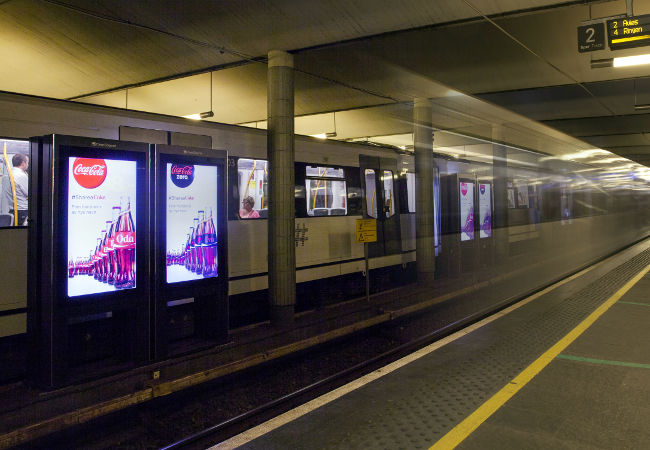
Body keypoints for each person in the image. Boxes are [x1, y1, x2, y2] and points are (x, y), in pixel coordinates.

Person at [3, 154, 29, 226]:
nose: (28, 165)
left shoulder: (8, 174)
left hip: (12, 209)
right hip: (22, 211)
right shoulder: (21, 175)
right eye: (27, 162)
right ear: (23, 163)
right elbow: (29, 193)